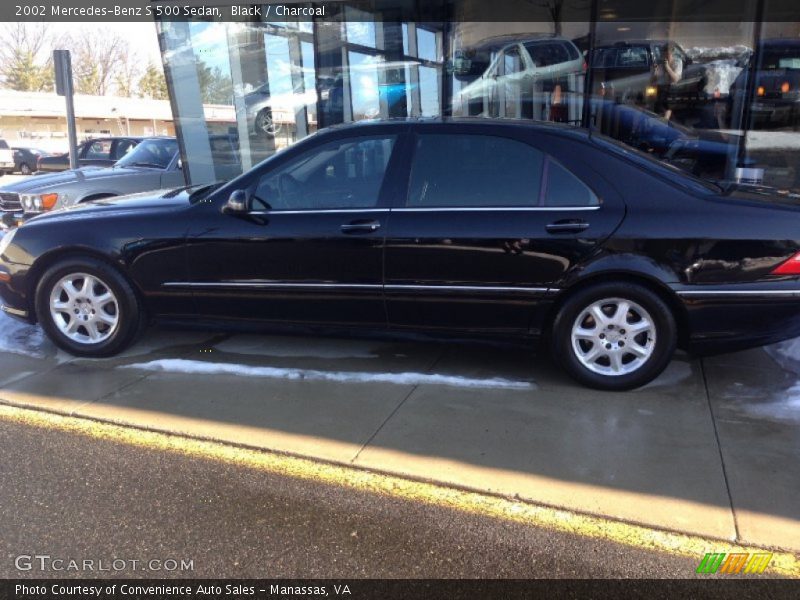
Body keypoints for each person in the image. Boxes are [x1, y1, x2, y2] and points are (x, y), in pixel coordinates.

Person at [653, 42, 683, 120]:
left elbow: (675, 79)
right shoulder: (659, 62)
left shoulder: (677, 62)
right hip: (660, 88)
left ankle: (666, 121)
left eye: (667, 54)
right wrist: (655, 72)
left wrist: (667, 67)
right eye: (664, 54)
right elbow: (654, 79)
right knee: (658, 108)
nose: (665, 56)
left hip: (671, 88)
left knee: (667, 107)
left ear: (672, 53)